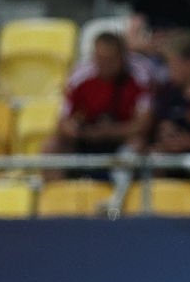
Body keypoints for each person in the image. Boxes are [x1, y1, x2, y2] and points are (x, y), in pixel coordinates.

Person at [44, 32, 152, 177]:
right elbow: (62, 123)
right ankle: (55, 196)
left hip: (122, 141)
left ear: (122, 56)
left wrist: (109, 132)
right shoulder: (79, 77)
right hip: (86, 140)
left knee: (138, 144)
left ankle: (120, 196)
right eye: (100, 59)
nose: (105, 65)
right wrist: (76, 130)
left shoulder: (140, 77)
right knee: (52, 146)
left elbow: (143, 124)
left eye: (111, 60)